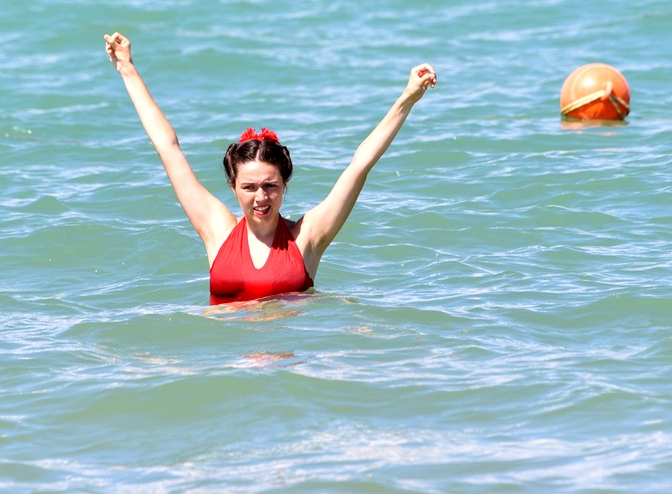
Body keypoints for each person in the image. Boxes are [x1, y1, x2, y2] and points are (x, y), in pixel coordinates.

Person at [103, 32, 437, 305]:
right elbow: (168, 147)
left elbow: (359, 165)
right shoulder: (217, 229)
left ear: (284, 184)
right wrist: (128, 70)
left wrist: (407, 97)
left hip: (287, 361)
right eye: (249, 187)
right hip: (225, 358)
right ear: (233, 186)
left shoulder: (307, 237)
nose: (261, 197)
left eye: (270, 186)